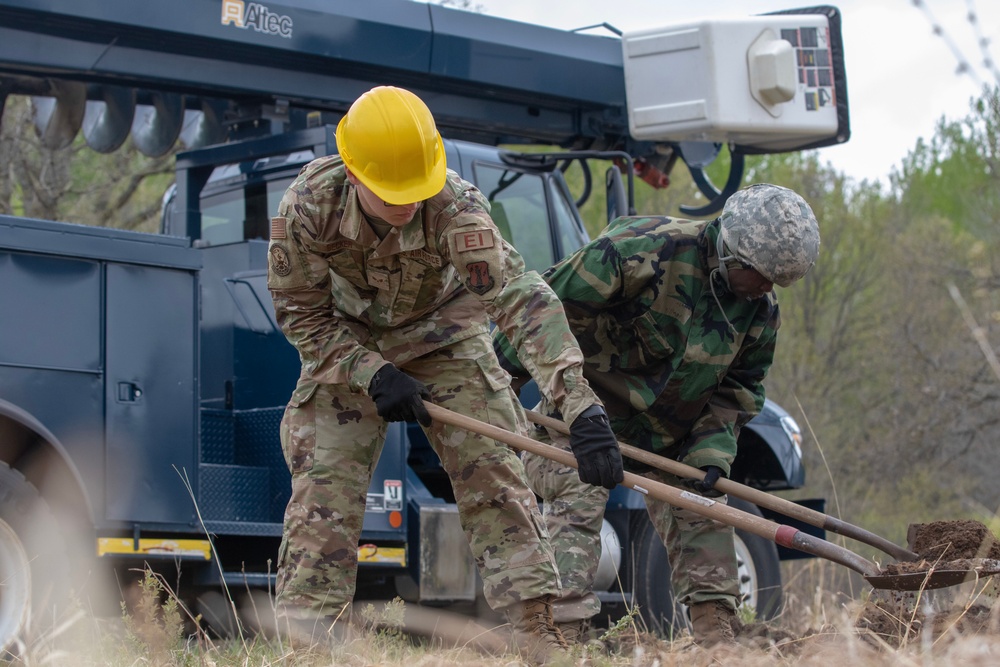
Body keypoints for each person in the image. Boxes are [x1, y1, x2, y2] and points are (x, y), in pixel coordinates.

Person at [265, 85, 622, 660]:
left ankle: (537, 632)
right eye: (392, 194)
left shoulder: (455, 207)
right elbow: (301, 316)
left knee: (497, 475)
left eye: (417, 190)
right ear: (355, 177)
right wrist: (371, 372)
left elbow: (521, 301)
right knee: (322, 491)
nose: (408, 204)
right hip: (347, 343)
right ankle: (307, 646)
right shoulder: (309, 207)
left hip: (447, 334)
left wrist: (579, 403)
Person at [493, 183, 820, 646]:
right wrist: (499, 384)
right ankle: (559, 641)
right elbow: (540, 311)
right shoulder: (640, 251)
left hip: (674, 434)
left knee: (706, 510)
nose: (768, 287)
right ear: (732, 252)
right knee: (578, 490)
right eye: (762, 274)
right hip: (583, 416)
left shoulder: (759, 312)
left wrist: (711, 452)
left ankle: (717, 638)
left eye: (778, 281)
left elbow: (739, 390)